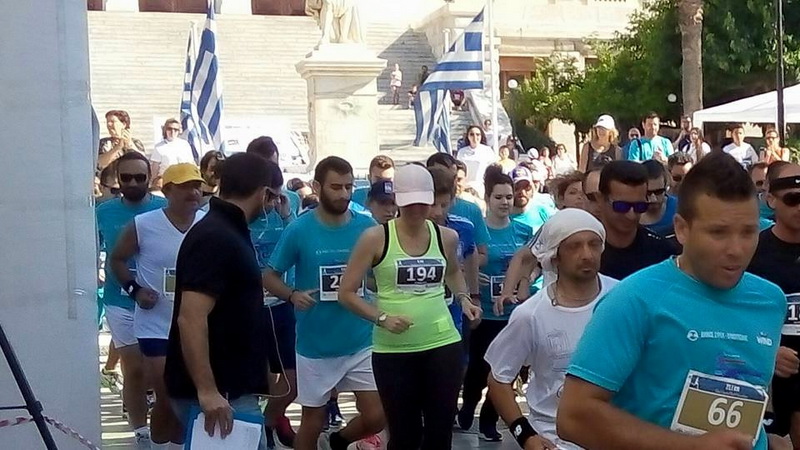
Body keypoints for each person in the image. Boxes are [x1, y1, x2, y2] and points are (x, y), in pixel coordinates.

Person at [558, 152, 786, 450]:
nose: (736, 249)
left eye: (748, 232)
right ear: (681, 229)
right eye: (718, 233)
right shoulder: (634, 299)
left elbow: (750, 394)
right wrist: (690, 447)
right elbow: (573, 417)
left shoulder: (771, 300)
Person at [338, 164, 481, 450]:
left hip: (442, 343)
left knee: (440, 432)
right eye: (409, 203)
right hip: (394, 351)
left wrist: (465, 298)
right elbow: (346, 292)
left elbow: (453, 271)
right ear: (398, 201)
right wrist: (381, 317)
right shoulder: (375, 238)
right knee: (405, 434)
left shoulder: (446, 237)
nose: (417, 210)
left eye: (422, 203)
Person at [263, 157, 385, 450]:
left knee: (377, 416)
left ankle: (339, 441)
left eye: (348, 187)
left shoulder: (367, 227)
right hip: (316, 344)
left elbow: (378, 273)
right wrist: (292, 294)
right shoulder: (300, 229)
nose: (344, 194)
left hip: (360, 340)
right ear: (317, 187)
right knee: (313, 421)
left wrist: (374, 285)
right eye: (336, 187)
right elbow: (269, 275)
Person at [164, 153, 279, 450]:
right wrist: (207, 390)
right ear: (264, 193)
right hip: (221, 392)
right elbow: (191, 317)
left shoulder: (225, 230)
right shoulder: (216, 236)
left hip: (229, 388)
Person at [486, 208, 617, 450]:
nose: (587, 254)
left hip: (616, 437)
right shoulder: (531, 314)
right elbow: (498, 380)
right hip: (556, 440)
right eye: (574, 246)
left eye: (594, 244)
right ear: (555, 257)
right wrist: (525, 436)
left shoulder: (624, 298)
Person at [111, 163, 206, 449]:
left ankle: (175, 445)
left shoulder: (209, 224)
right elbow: (117, 259)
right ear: (167, 191)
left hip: (196, 325)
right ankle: (156, 445)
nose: (193, 192)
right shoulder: (144, 224)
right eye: (185, 187)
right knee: (167, 395)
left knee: (186, 399)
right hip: (156, 325)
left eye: (197, 186)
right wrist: (135, 289)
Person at [458, 170, 536, 442]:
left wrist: (526, 280)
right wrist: (472, 275)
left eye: (509, 197)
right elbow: (464, 261)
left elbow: (533, 263)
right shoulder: (478, 231)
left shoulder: (523, 230)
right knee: (479, 369)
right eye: (499, 197)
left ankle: (489, 421)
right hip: (486, 313)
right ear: (488, 198)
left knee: (506, 370)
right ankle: (468, 406)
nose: (505, 202)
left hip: (514, 314)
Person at [96, 152, 167, 449]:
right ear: (117, 179)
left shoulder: (165, 208)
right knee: (135, 370)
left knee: (157, 372)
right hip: (120, 300)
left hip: (161, 302)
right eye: (127, 178)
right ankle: (141, 433)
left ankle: (163, 428)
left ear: (150, 178)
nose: (134, 183)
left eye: (140, 177)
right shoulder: (102, 212)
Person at [246, 156, 297, 447]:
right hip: (247, 308)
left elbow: (299, 244)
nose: (274, 201)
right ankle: (256, 431)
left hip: (280, 304)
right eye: (270, 196)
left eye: (278, 195)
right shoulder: (238, 216)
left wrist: (287, 215)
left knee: (293, 381)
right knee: (254, 381)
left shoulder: (283, 214)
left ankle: (269, 422)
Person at [748, 162, 800, 446]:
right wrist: (767, 350)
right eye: (793, 199)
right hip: (768, 377)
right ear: (771, 200)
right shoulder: (752, 253)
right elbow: (729, 314)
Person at [247, 136, 301, 215]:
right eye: (262, 168)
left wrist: (287, 216)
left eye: (274, 166)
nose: (270, 172)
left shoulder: (293, 199)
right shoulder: (243, 202)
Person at [150, 119, 196, 189]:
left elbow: (191, 163)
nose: (172, 132)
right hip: (167, 182)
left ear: (179, 131)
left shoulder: (185, 144)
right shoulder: (158, 147)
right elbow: (154, 170)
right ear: (165, 130)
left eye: (175, 129)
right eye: (170, 129)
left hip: (184, 180)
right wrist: (154, 183)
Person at [640, 160, 678, 237]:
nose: (653, 199)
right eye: (648, 193)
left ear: (666, 187)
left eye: (659, 192)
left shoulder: (679, 208)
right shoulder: (628, 213)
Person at [456, 125, 497, 195]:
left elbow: (493, 171)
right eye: (472, 134)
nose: (475, 137)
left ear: (481, 136)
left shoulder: (487, 151)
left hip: (481, 188)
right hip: (465, 188)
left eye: (477, 134)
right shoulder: (461, 152)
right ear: (468, 136)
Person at [510, 166, 552, 233]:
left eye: (527, 187)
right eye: (516, 188)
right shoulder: (501, 217)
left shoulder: (543, 211)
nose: (522, 192)